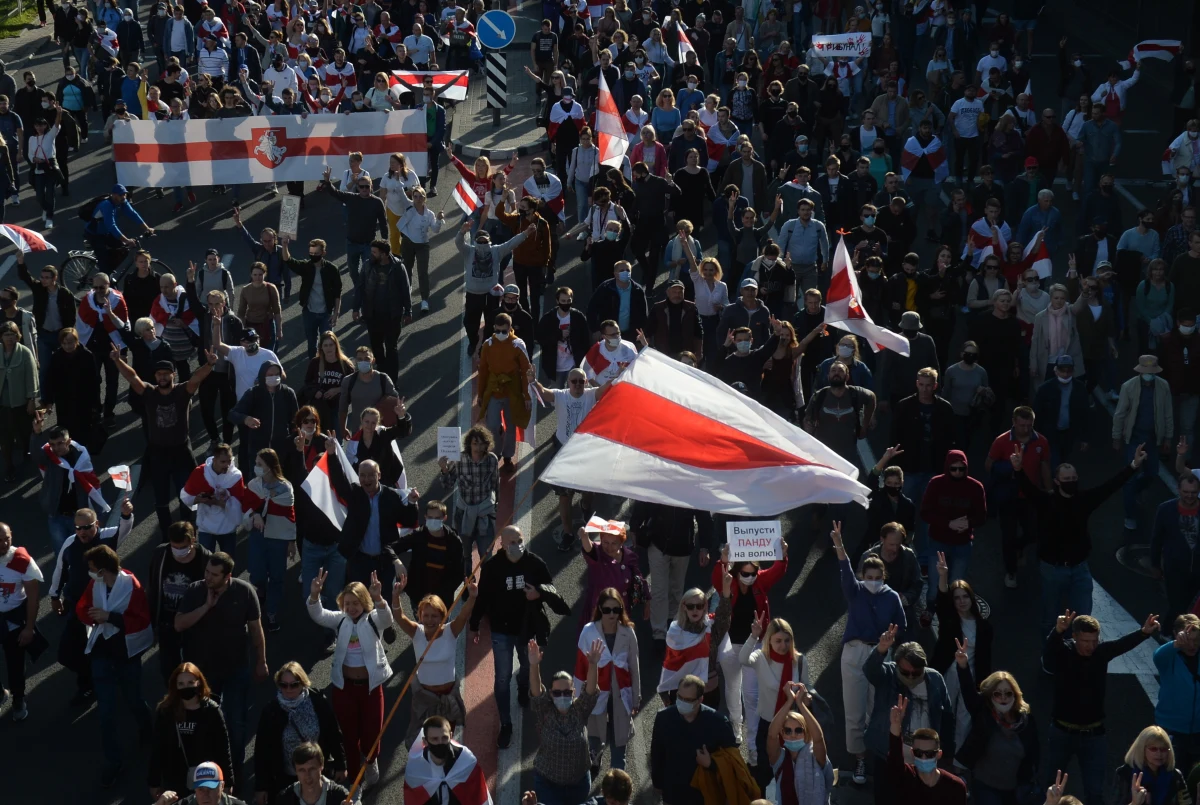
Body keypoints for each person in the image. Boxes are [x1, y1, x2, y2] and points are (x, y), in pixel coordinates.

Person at [1043, 609, 1161, 805]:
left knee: (1095, 793)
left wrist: (1144, 632)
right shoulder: (1063, 653)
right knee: (1051, 787)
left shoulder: (1100, 653)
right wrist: (1056, 631)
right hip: (1062, 732)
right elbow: (1047, 656)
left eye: (1094, 641)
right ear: (1074, 637)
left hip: (1094, 735)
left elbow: (1120, 645)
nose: (1091, 646)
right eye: (1085, 641)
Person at [174, 552, 270, 791]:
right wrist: (207, 606)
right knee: (203, 723)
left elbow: (256, 630)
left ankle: (232, 774)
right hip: (201, 675)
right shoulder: (196, 591)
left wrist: (261, 661)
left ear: (228, 576)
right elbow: (179, 624)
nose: (208, 577)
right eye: (207, 571)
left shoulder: (245, 592)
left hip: (236, 670)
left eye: (214, 575)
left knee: (236, 724)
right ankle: (204, 774)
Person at [112, 346, 216, 540]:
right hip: (157, 453)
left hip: (181, 452)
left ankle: (187, 532)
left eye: (166, 374)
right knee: (160, 501)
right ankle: (167, 537)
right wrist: (118, 361)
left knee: (186, 496)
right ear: (155, 376)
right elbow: (132, 377)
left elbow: (197, 377)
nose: (162, 377)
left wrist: (209, 364)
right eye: (159, 374)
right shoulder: (149, 392)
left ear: (173, 375)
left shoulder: (183, 391)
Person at [76, 544, 154, 787]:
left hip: (126, 653)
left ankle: (147, 727)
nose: (89, 572)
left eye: (92, 568)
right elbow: (83, 608)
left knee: (133, 698)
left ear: (103, 569)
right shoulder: (95, 584)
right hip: (102, 652)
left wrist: (109, 617)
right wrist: (93, 616)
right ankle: (114, 761)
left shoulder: (131, 585)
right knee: (106, 712)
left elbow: (141, 619)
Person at [305, 571, 392, 791]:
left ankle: (371, 761)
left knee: (373, 733)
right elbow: (319, 615)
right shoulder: (341, 620)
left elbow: (387, 618)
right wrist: (314, 596)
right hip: (344, 688)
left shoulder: (373, 619)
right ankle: (355, 782)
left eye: (356, 602)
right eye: (347, 603)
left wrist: (379, 598)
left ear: (364, 602)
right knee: (349, 736)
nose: (351, 607)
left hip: (372, 688)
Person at [470, 525, 554, 748]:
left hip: (527, 629)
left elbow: (551, 589)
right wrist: (474, 623)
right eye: (511, 542)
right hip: (501, 630)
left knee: (527, 666)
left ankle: (523, 682)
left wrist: (539, 593)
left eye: (519, 540)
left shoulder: (535, 563)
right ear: (502, 544)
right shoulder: (492, 568)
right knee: (502, 678)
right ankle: (505, 723)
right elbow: (484, 597)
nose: (516, 545)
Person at [868, 632, 955, 804]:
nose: (910, 677)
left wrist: (948, 752)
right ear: (897, 665)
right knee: (887, 797)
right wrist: (881, 650)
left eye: (916, 673)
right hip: (890, 751)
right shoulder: (889, 675)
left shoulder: (935, 679)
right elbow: (871, 671)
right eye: (905, 672)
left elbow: (947, 716)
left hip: (925, 754)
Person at [391, 574, 476, 744]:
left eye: (434, 616)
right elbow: (399, 617)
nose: (430, 620)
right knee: (424, 741)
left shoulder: (451, 631)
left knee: (445, 740)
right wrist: (395, 596)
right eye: (426, 615)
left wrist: (472, 597)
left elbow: (463, 615)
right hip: (424, 699)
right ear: (420, 616)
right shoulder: (416, 632)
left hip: (448, 697)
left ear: (442, 616)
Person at [253, 661, 346, 803]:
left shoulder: (318, 702)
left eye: (294, 684)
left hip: (315, 774)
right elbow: (262, 752)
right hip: (285, 779)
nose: (288, 689)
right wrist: (261, 787)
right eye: (283, 685)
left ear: (303, 683)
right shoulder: (271, 712)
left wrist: (341, 764)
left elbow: (333, 733)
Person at [528, 637, 601, 805]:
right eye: (557, 693)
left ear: (573, 693)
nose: (562, 696)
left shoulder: (580, 709)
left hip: (578, 784)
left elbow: (590, 690)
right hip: (548, 785)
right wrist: (534, 664)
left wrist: (593, 664)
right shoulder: (544, 710)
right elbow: (536, 691)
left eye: (567, 692)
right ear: (551, 694)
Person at [984, 407, 1052, 588]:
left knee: (1033, 532)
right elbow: (989, 465)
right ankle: (1011, 571)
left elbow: (1044, 465)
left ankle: (1019, 547)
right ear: (1014, 422)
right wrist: (1010, 466)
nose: (1026, 429)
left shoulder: (1042, 442)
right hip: (1008, 496)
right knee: (1008, 536)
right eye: (1022, 425)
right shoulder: (1001, 441)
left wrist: (1049, 490)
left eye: (1029, 425)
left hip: (1031, 496)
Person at [649, 673, 739, 805]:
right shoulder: (664, 718)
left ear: (700, 700)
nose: (682, 702)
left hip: (705, 796)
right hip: (673, 794)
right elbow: (657, 753)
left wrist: (711, 764)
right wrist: (657, 784)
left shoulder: (719, 724)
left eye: (688, 700)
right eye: (679, 697)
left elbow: (733, 762)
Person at [577, 587, 641, 773]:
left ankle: (617, 780)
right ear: (600, 609)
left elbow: (634, 667)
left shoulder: (628, 633)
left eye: (616, 609)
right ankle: (595, 759)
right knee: (595, 735)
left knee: (619, 740)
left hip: (621, 696)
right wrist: (579, 701)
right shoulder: (588, 632)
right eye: (607, 610)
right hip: (595, 695)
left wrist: (636, 697)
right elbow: (580, 668)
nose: (612, 614)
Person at [147, 662, 233, 799]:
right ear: (175, 685)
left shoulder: (211, 711)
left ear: (198, 683)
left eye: (190, 682)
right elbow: (158, 748)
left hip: (206, 778)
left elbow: (223, 748)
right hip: (175, 779)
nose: (185, 687)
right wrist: (154, 782)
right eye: (181, 684)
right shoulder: (166, 711)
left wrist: (228, 781)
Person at [1112, 356, 1174, 532]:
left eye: (1151, 373)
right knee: (1130, 478)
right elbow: (1120, 413)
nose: (1148, 376)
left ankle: (1135, 492)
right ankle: (1130, 515)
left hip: (1153, 440)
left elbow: (1168, 412)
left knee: (1152, 473)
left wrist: (1168, 437)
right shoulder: (1128, 387)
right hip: (1134, 439)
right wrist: (1116, 437)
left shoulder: (1163, 387)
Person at [920, 450, 986, 605]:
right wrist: (948, 523)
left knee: (957, 584)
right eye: (953, 469)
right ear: (947, 467)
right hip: (938, 541)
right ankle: (930, 609)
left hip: (962, 543)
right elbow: (925, 513)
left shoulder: (976, 487)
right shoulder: (936, 483)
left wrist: (968, 523)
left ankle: (952, 613)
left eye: (961, 469)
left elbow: (982, 516)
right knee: (935, 583)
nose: (957, 472)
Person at [147, 522, 211, 682]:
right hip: (167, 624)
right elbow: (153, 587)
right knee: (168, 669)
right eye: (174, 546)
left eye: (182, 547)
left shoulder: (205, 559)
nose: (178, 551)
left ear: (193, 541)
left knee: (196, 670)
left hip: (194, 624)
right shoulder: (160, 554)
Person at [886, 694, 967, 805]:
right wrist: (896, 726)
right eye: (918, 753)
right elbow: (894, 759)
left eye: (929, 754)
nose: (923, 758)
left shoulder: (955, 786)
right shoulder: (905, 777)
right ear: (912, 753)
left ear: (939, 754)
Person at [439, 425, 500, 566]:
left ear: (487, 444)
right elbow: (447, 485)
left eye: (481, 443)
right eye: (475, 443)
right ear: (469, 444)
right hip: (464, 514)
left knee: (487, 557)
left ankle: (485, 586)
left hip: (485, 515)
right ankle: (467, 585)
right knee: (464, 556)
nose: (478, 447)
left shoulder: (492, 460)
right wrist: (444, 470)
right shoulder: (459, 459)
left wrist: (495, 508)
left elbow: (496, 485)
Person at [478, 312, 533, 469]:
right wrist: (481, 395)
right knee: (493, 426)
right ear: (494, 328)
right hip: (494, 390)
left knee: (511, 425)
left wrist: (527, 396)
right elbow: (483, 371)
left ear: (510, 329)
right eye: (498, 331)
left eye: (504, 331)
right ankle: (495, 455)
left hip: (512, 391)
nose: (501, 334)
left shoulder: (518, 345)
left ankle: (508, 457)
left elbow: (526, 371)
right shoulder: (487, 345)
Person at [0, 521, 42, 723]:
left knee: (15, 664)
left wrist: (29, 627)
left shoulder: (22, 560)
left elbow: (33, 598)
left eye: (6, 539)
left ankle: (18, 699)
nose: (3, 544)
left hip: (13, 619)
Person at [765, 682, 833, 805]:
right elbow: (771, 735)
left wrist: (800, 704)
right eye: (788, 730)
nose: (793, 734)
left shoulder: (816, 757)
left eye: (798, 730)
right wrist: (789, 701)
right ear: (783, 733)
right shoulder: (779, 758)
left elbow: (818, 738)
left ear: (806, 732)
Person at [279, 235, 342, 358]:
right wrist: (285, 245)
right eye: (311, 253)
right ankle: (314, 366)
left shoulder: (332, 269)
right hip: (309, 312)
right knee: (311, 343)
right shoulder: (306, 267)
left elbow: (337, 292)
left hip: (326, 313)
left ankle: (328, 364)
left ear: (323, 253)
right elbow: (289, 260)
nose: (313, 256)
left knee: (328, 343)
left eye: (316, 253)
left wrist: (336, 313)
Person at [1150, 472, 1200, 624]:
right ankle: (1168, 631)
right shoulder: (1165, 509)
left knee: (1186, 604)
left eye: (1193, 492)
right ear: (1179, 490)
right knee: (1177, 605)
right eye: (1186, 492)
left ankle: (1171, 632)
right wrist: (1156, 565)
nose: (1190, 496)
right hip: (1174, 569)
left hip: (1198, 570)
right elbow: (1157, 539)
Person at [179, 443, 245, 557]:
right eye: (223, 462)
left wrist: (222, 503)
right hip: (206, 526)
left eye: (229, 461)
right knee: (204, 563)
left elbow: (239, 504)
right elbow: (185, 495)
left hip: (227, 527)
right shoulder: (200, 472)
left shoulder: (235, 476)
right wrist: (197, 499)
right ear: (214, 460)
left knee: (228, 564)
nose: (227, 465)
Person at [1114, 726, 1189, 805]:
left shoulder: (1176, 775)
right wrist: (1134, 803)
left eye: (1163, 749)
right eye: (1153, 749)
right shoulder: (1124, 774)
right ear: (1142, 749)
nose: (1159, 754)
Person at [0, 321, 36, 482]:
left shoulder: (25, 352)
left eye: (13, 334)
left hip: (21, 402)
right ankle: (9, 467)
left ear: (18, 336)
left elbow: (32, 378)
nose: (9, 338)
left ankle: (27, 452)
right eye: (6, 334)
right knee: (5, 438)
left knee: (24, 432)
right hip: (3, 404)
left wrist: (31, 399)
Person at [275, 742, 352, 805]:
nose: (307, 775)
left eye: (312, 769)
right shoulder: (285, 798)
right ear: (295, 771)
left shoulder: (340, 796)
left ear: (321, 766)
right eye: (302, 770)